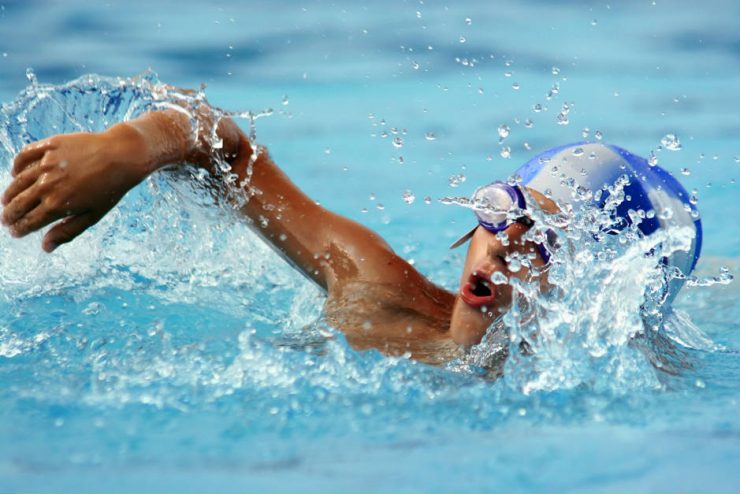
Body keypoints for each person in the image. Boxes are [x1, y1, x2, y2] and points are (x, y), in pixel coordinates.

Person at [0, 94, 701, 365]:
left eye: (545, 243)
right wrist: (125, 149)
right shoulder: (379, 297)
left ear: (598, 289)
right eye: (504, 210)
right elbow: (227, 149)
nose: (505, 244)